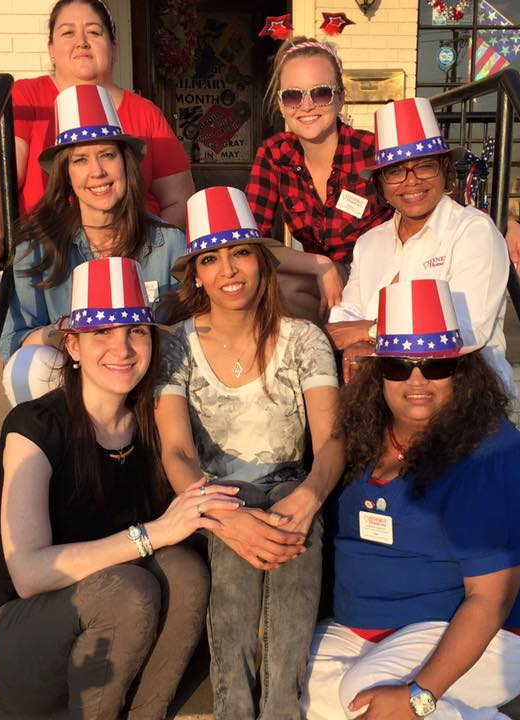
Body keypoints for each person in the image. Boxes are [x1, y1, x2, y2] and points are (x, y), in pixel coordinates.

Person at [0, 257, 243, 720]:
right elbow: (30, 574)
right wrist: (152, 534)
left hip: (107, 629)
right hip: (7, 641)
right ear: (72, 345)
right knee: (129, 588)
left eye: (136, 331)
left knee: (186, 572)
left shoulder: (154, 425)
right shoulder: (34, 426)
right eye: (102, 333)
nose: (124, 348)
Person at [304, 279, 520, 720]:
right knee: (293, 681)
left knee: (370, 694)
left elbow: (490, 600)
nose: (417, 380)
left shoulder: (493, 457)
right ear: (378, 371)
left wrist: (420, 695)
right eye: (399, 366)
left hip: (499, 630)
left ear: (463, 370)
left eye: (435, 366)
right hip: (370, 627)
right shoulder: (366, 434)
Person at [154, 186, 346, 719]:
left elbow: (332, 439)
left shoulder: (304, 338)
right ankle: (233, 708)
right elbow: (176, 451)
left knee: (294, 529)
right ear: (195, 273)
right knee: (235, 543)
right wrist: (218, 513)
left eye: (240, 252)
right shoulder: (176, 344)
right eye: (210, 259)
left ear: (261, 260)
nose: (228, 270)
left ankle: (282, 706)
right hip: (210, 493)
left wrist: (311, 494)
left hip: (291, 482)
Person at [246, 36, 520, 321]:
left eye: (321, 93)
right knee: (268, 290)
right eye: (293, 96)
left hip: (378, 277)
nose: (306, 106)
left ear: (341, 97)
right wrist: (319, 265)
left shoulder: (374, 151)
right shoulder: (275, 154)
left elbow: (440, 193)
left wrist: (507, 223)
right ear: (282, 105)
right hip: (317, 279)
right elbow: (251, 241)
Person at [0, 0, 194, 273]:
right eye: (68, 33)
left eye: (94, 32)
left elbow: (179, 199)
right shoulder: (28, 99)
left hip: (133, 262)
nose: (81, 42)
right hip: (52, 262)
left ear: (114, 49)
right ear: (51, 50)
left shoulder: (145, 112)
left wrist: (150, 255)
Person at [0, 84, 187, 406]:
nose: (97, 172)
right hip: (74, 380)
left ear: (126, 163)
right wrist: (72, 333)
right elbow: (14, 340)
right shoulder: (37, 245)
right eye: (80, 160)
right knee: (27, 367)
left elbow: (188, 327)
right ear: (66, 174)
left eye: (107, 155)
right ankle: (61, 452)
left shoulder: (167, 241)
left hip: (149, 379)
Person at [325, 97, 514, 395]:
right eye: (396, 171)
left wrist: (370, 333)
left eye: (424, 167)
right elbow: (345, 317)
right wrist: (361, 335)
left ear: (445, 171)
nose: (411, 182)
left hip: (464, 392)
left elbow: (465, 330)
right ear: (381, 184)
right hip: (386, 390)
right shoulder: (369, 243)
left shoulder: (473, 231)